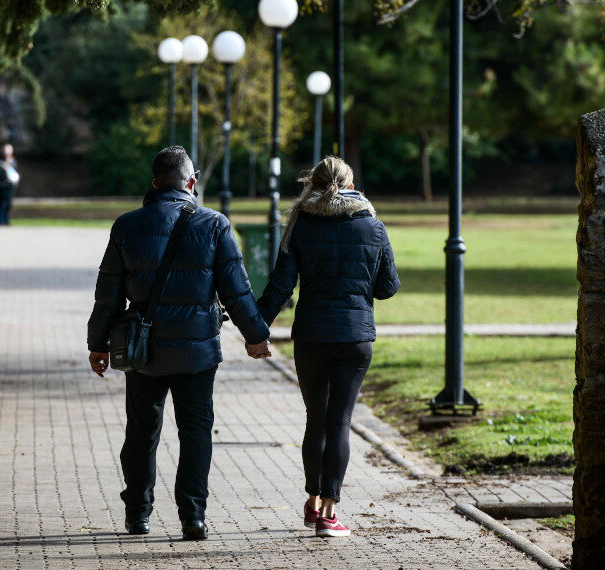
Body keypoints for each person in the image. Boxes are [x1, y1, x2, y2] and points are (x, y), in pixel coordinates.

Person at [87, 146, 273, 541]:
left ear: (154, 184)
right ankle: (193, 517)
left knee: (141, 433)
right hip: (197, 351)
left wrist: (98, 343)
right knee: (196, 433)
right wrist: (255, 337)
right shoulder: (215, 224)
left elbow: (108, 295)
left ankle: (138, 515)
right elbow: (237, 292)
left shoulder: (127, 226)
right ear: (192, 182)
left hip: (143, 351)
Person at [256, 156, 400, 538]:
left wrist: (255, 328)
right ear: (351, 183)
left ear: (313, 184)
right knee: (340, 421)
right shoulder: (373, 225)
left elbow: (280, 287)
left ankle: (313, 502)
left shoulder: (301, 224)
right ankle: (329, 514)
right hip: (355, 338)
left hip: (312, 337)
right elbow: (387, 287)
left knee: (316, 419)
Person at [0, 143, 20, 225]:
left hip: (10, 187)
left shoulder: (13, 162)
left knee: (7, 205)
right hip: (0, 187)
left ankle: (5, 220)